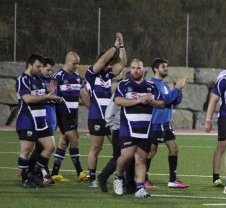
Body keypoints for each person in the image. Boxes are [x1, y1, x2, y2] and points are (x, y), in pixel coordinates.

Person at [112, 58, 166, 198]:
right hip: (128, 126)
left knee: (141, 158)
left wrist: (151, 101)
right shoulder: (124, 84)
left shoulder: (151, 86)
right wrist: (139, 100)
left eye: (139, 68)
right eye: (133, 68)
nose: (136, 70)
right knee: (126, 156)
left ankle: (140, 188)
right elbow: (118, 100)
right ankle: (118, 177)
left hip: (145, 128)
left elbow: (161, 104)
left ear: (143, 70)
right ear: (130, 69)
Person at [84, 33, 127, 188]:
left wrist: (122, 46)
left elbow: (122, 63)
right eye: (107, 62)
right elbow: (102, 60)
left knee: (120, 148)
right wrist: (114, 46)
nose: (109, 64)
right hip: (96, 117)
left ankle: (119, 176)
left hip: (109, 119)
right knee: (96, 147)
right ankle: (92, 178)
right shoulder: (90, 74)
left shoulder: (107, 76)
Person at [16, 53, 60, 187]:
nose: (40, 69)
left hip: (41, 120)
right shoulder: (22, 80)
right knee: (27, 150)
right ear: (30, 65)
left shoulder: (39, 80)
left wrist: (51, 95)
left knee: (50, 147)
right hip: (27, 120)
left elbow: (42, 97)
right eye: (38, 66)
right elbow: (28, 99)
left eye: (41, 67)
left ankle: (34, 173)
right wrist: (47, 97)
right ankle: (25, 180)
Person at [146, 58, 188, 189]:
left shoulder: (164, 84)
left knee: (174, 149)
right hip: (155, 122)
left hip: (166, 123)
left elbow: (174, 101)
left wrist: (179, 90)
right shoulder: (151, 84)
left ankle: (172, 180)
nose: (166, 68)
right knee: (151, 151)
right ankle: (144, 179)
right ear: (155, 69)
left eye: (166, 66)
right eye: (163, 66)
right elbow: (163, 101)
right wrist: (175, 89)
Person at [50, 51, 88, 182]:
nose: (76, 66)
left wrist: (95, 110)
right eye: (74, 63)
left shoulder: (77, 77)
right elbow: (51, 95)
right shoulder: (58, 76)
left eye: (78, 63)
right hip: (63, 113)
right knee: (75, 140)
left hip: (74, 114)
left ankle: (54, 172)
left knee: (64, 141)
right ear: (67, 62)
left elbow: (83, 96)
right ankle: (80, 172)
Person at [204, 63, 226, 189]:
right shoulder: (224, 75)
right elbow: (215, 97)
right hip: (225, 116)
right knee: (222, 147)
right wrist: (208, 119)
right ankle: (216, 177)